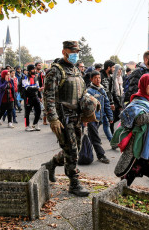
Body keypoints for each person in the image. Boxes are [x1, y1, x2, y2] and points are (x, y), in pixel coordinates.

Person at [42, 41, 89, 197]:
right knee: (72, 151)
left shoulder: (76, 70)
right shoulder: (55, 71)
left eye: (77, 51)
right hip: (63, 118)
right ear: (64, 52)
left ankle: (51, 163)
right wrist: (53, 118)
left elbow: (82, 93)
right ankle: (74, 183)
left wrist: (87, 113)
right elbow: (48, 96)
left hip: (77, 117)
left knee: (74, 148)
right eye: (73, 51)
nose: (76, 54)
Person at [115, 73, 149, 195]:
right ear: (143, 85)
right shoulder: (136, 101)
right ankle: (117, 195)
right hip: (139, 147)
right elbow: (139, 119)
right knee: (127, 177)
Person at [87, 71, 113, 164]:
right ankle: (101, 155)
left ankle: (84, 153)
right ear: (91, 79)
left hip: (100, 118)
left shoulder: (102, 89)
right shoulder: (88, 91)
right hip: (91, 119)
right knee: (95, 137)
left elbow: (106, 103)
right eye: (95, 78)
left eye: (99, 78)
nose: (98, 80)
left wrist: (110, 116)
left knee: (90, 137)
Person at [100, 60, 117, 142]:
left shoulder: (110, 78)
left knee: (107, 123)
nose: (114, 69)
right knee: (97, 123)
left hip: (107, 104)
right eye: (113, 67)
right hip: (100, 104)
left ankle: (112, 141)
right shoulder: (100, 76)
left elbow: (111, 92)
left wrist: (112, 103)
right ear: (108, 67)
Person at [22, 64, 42, 131]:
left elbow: (38, 86)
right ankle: (27, 126)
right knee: (27, 113)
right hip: (28, 98)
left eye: (34, 69)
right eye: (33, 69)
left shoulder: (36, 77)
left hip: (35, 97)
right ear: (29, 71)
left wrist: (40, 96)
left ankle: (35, 124)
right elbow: (27, 88)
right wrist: (37, 89)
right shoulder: (24, 78)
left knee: (39, 111)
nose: (34, 70)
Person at [110, 64, 123, 135]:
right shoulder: (113, 78)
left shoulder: (120, 78)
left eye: (121, 69)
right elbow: (113, 91)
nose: (120, 71)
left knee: (118, 116)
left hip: (120, 98)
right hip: (114, 100)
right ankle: (111, 133)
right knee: (113, 116)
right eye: (119, 69)